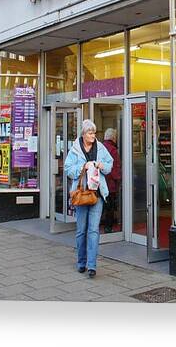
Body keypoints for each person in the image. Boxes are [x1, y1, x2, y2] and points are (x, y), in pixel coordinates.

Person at [64, 119, 113, 278]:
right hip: (81, 195)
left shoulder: (101, 148)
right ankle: (81, 262)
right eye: (90, 133)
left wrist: (101, 165)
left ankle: (92, 265)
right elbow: (68, 169)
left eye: (94, 133)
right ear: (83, 134)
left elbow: (109, 164)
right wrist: (82, 167)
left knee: (93, 230)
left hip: (97, 195)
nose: (93, 136)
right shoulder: (75, 149)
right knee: (81, 230)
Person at [101, 128, 121, 233]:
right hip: (110, 184)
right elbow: (115, 168)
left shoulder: (100, 147)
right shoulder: (113, 150)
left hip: (100, 183)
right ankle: (108, 228)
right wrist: (119, 180)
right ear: (113, 138)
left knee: (101, 206)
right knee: (110, 207)